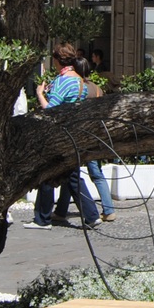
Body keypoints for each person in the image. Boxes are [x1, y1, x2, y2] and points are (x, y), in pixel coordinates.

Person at [24, 43, 112, 230]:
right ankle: (91, 215)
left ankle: (42, 218)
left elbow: (51, 110)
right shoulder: (79, 80)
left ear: (56, 60)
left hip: (58, 135)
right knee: (72, 176)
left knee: (48, 173)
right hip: (74, 134)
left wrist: (40, 94)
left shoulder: (63, 80)